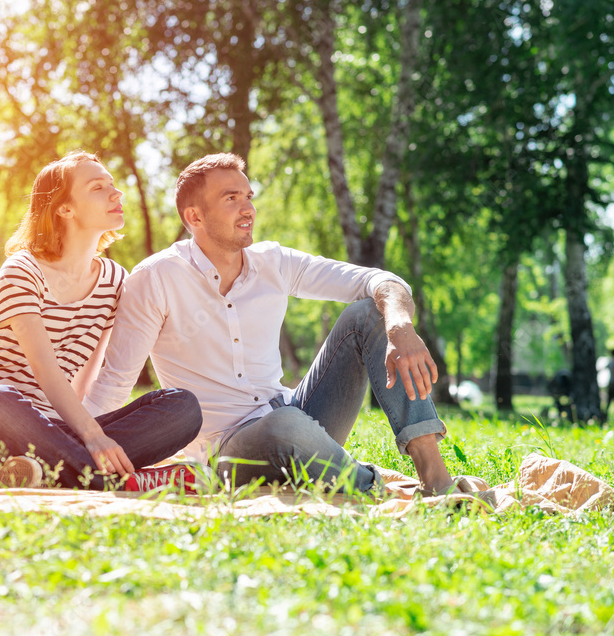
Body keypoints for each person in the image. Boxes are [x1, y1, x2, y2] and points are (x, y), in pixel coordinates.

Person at [84, 153, 456, 496]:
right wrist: (81, 446)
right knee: (285, 426)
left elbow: (380, 281)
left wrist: (399, 328)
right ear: (194, 217)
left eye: (248, 196)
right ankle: (374, 486)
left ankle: (435, 477)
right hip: (227, 450)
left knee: (368, 313)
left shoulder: (274, 262)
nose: (248, 209)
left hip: (293, 410)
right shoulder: (156, 278)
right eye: (231, 199)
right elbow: (116, 380)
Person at [0, 151, 203, 492]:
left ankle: (53, 471)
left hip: (53, 437)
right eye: (98, 187)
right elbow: (46, 370)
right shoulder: (22, 271)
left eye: (112, 184)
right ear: (65, 209)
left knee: (182, 406)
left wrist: (92, 433)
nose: (116, 193)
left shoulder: (113, 281)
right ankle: (122, 479)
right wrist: (94, 437)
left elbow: (82, 380)